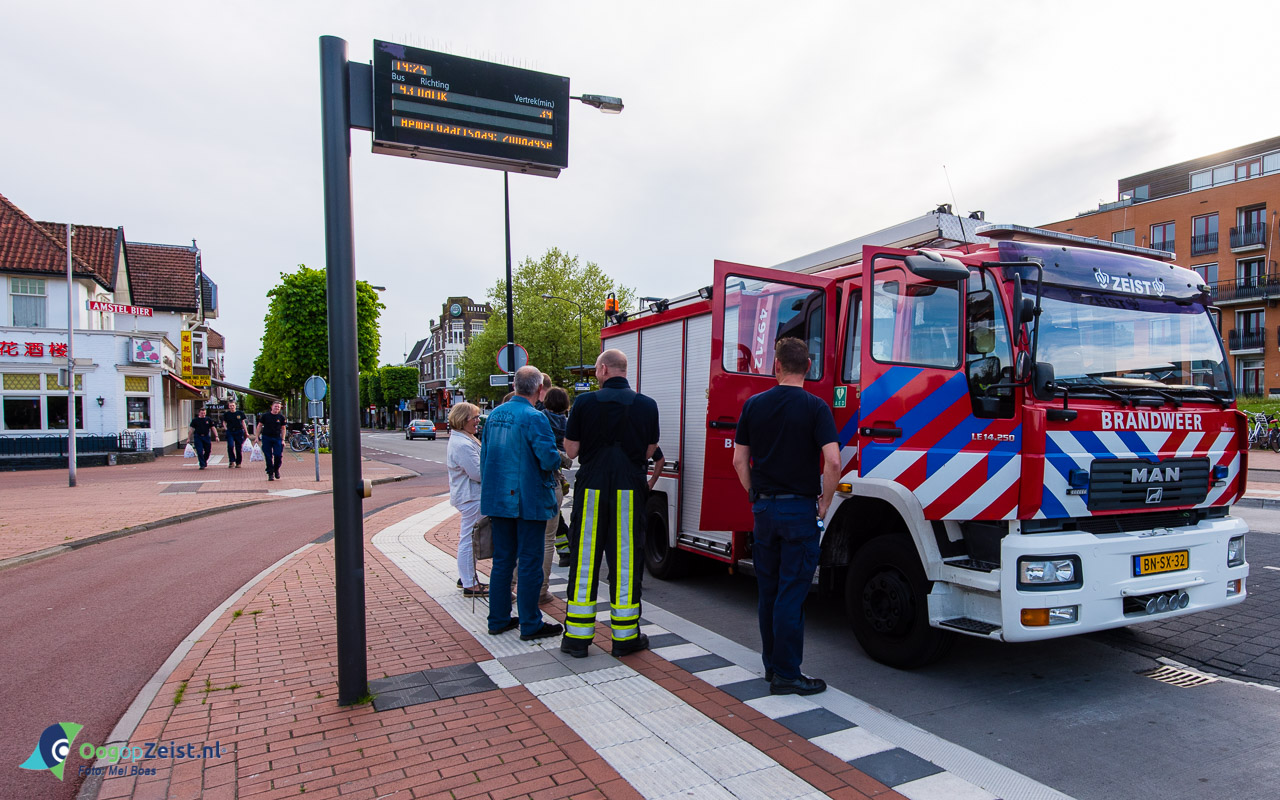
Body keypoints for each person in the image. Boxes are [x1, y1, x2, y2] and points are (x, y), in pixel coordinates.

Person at [732, 337, 840, 696]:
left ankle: (771, 666)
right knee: (792, 593)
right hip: (798, 510)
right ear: (808, 367)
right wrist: (824, 503)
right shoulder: (816, 408)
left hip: (764, 509)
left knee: (770, 590)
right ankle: (788, 674)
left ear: (776, 366)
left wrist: (754, 493)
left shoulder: (754, 406)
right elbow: (833, 461)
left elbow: (738, 460)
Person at [560, 349, 659, 659]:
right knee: (627, 561)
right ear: (624, 371)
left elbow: (572, 451)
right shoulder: (647, 405)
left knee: (585, 558)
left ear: (602, 369)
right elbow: (649, 450)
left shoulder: (584, 403)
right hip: (629, 489)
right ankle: (626, 639)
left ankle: (577, 639)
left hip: (591, 489)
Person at [479, 365, 564, 641]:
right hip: (529, 500)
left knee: (503, 561)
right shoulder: (534, 417)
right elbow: (548, 459)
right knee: (529, 561)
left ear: (514, 386)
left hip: (498, 499)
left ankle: (498, 618)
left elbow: (485, 458)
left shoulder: (494, 416)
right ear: (540, 390)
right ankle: (530, 623)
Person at [447, 402, 487, 597]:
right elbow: (477, 473)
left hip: (470, 496)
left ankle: (466, 577)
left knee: (470, 538)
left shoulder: (466, 438)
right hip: (471, 497)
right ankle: (469, 582)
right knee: (470, 539)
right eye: (475, 418)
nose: (478, 421)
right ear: (463, 420)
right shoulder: (462, 444)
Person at [538, 385, 572, 601]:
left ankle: (532, 587)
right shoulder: (567, 423)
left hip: (542, 477)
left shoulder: (540, 418)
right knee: (552, 529)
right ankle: (566, 550)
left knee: (542, 538)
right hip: (556, 477)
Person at [254, 400, 287, 481]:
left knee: (278, 455)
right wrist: (256, 437)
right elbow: (259, 426)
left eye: (278, 407)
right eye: (275, 406)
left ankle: (276, 469)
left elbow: (283, 428)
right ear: (272, 407)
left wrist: (283, 440)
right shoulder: (265, 416)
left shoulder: (281, 417)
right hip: (266, 437)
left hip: (277, 438)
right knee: (268, 456)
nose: (277, 408)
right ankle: (270, 472)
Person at [222, 399, 248, 469]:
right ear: (229, 406)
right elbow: (224, 422)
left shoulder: (240, 413)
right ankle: (232, 461)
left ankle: (238, 462)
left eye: (233, 405)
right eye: (230, 406)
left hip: (239, 431)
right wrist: (225, 428)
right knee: (230, 445)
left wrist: (246, 432)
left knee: (238, 447)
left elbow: (243, 422)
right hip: (230, 431)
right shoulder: (226, 414)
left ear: (235, 406)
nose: (232, 407)